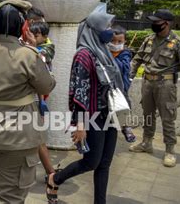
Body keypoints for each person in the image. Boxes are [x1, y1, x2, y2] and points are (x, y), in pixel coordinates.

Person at [0, 0, 56, 203]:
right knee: (11, 194)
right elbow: (47, 86)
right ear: (22, 27)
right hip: (18, 134)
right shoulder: (28, 55)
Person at [47, 11, 123, 204]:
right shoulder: (83, 55)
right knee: (91, 162)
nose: (110, 31)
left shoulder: (104, 50)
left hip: (110, 113)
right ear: (94, 29)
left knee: (105, 164)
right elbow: (79, 91)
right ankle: (55, 178)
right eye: (106, 27)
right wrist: (80, 125)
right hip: (92, 116)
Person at [128, 9, 180, 167]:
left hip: (165, 85)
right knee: (148, 114)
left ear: (167, 23)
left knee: (167, 118)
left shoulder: (178, 42)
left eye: (157, 22)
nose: (154, 24)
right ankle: (146, 143)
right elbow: (138, 58)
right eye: (153, 21)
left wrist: (167, 72)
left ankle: (170, 151)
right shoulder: (149, 39)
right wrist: (130, 74)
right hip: (147, 83)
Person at [25, 21, 58, 180]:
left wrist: (30, 47)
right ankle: (50, 171)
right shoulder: (32, 48)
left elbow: (39, 60)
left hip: (38, 98)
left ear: (45, 37)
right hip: (33, 97)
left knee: (37, 137)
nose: (32, 38)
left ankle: (50, 173)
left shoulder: (47, 49)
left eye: (36, 36)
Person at [109, 25, 135, 143]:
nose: (115, 44)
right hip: (106, 87)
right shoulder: (104, 51)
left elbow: (121, 67)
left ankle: (126, 127)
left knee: (123, 105)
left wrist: (109, 59)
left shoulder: (125, 53)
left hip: (121, 87)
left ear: (125, 42)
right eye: (113, 41)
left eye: (119, 41)